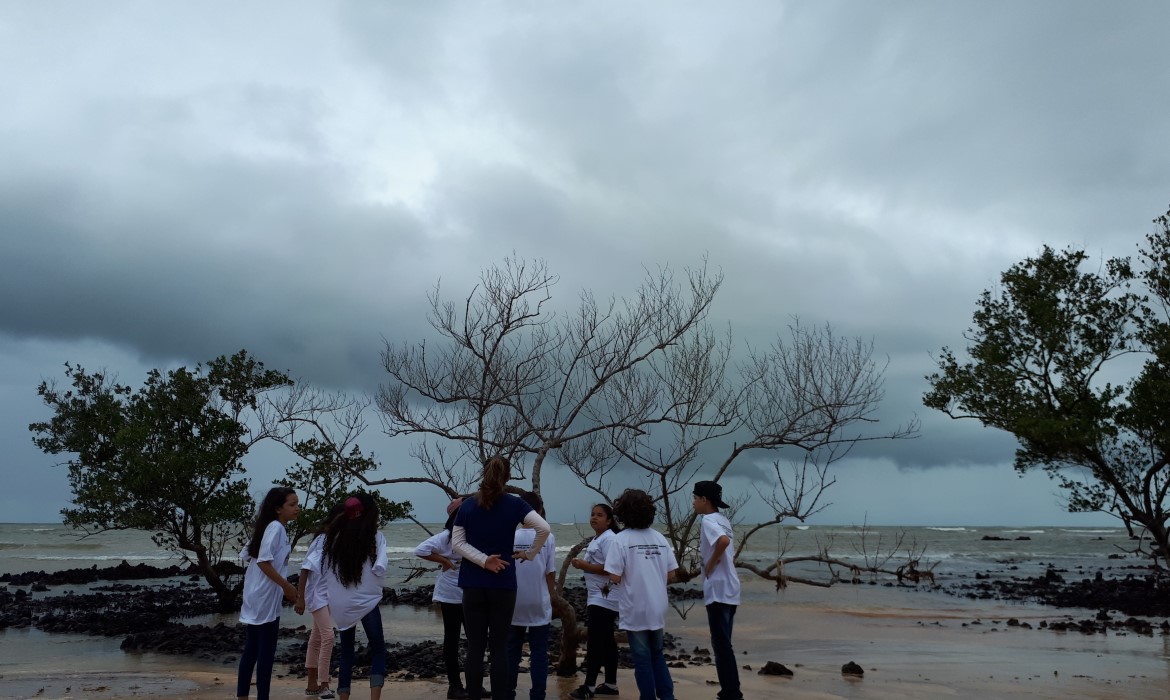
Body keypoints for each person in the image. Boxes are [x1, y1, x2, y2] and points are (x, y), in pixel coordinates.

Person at [452, 456, 551, 700]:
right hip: (503, 583)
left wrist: (484, 560)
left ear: (483, 474)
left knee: (475, 647)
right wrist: (530, 554)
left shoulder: (466, 505)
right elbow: (544, 529)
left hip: (473, 584)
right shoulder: (515, 504)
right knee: (498, 648)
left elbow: (457, 544)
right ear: (507, 477)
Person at [604, 489, 678, 700]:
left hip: (635, 605)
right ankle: (667, 696)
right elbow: (671, 574)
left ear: (622, 512)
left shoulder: (621, 540)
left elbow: (615, 577)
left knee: (642, 659)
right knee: (657, 655)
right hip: (657, 605)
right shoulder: (660, 538)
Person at [319, 494, 388, 700]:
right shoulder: (375, 537)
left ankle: (343, 698)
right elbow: (380, 568)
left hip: (341, 603)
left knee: (346, 652)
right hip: (366, 601)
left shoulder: (335, 539)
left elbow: (324, 572)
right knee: (378, 650)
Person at [413, 497, 482, 700]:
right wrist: (443, 559)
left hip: (471, 593)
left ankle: (474, 684)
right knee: (452, 640)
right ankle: (454, 686)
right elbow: (420, 550)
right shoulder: (445, 538)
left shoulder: (473, 535)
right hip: (450, 595)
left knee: (475, 641)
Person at [238, 487, 301, 700]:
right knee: (265, 652)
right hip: (263, 596)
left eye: (297, 504)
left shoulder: (270, 527)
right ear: (277, 508)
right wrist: (287, 586)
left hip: (258, 594)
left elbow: (247, 554)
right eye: (291, 505)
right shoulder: (275, 528)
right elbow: (264, 561)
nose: (297, 508)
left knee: (253, 649)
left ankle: (243, 696)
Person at [692, 480, 742, 700]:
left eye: (695, 498)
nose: (693, 503)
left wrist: (710, 564)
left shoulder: (708, 520)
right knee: (724, 644)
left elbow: (721, 542)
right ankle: (729, 690)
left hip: (719, 589)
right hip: (731, 587)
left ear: (705, 500)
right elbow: (726, 542)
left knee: (721, 646)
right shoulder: (724, 520)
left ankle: (732, 693)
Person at [567, 504, 622, 699]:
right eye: (592, 514)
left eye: (600, 515)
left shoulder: (609, 539)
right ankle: (610, 684)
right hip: (598, 596)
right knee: (607, 641)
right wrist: (584, 565)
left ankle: (588, 687)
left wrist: (584, 565)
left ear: (609, 520)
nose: (594, 518)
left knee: (596, 642)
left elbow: (611, 569)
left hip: (605, 597)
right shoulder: (599, 538)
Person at [507, 491, 557, 700]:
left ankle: (507, 692)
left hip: (513, 601)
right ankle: (538, 695)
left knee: (511, 651)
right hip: (538, 600)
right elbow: (550, 572)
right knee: (538, 652)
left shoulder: (510, 535)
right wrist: (552, 596)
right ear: (539, 511)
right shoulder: (547, 536)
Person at [296, 502, 346, 699]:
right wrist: (300, 598)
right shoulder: (323, 540)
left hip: (328, 595)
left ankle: (311, 684)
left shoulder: (336, 540)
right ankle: (324, 684)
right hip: (317, 595)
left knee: (316, 639)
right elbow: (305, 569)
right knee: (328, 637)